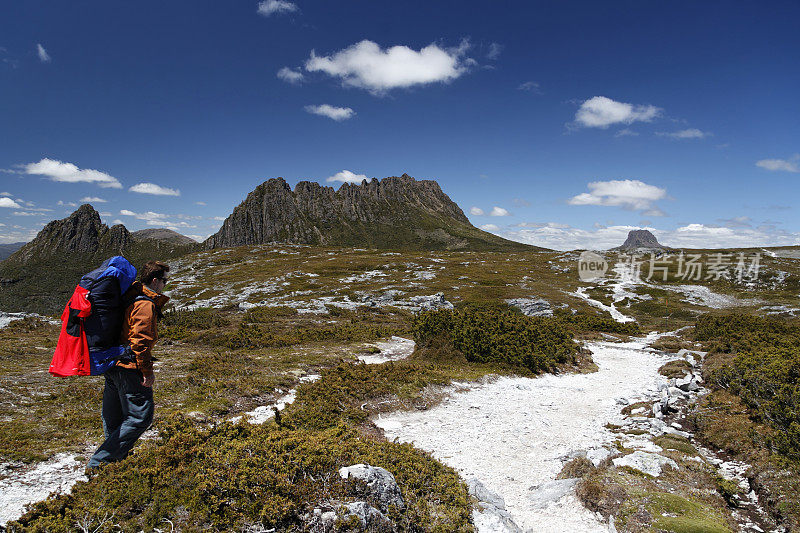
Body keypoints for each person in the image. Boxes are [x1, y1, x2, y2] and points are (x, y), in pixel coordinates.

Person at [87, 260, 170, 469]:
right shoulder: (145, 305)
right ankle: (101, 462)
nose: (165, 285)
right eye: (164, 280)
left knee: (113, 417)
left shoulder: (129, 296)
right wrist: (146, 371)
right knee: (140, 416)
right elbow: (140, 341)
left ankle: (114, 463)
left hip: (113, 363)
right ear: (154, 280)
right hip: (129, 368)